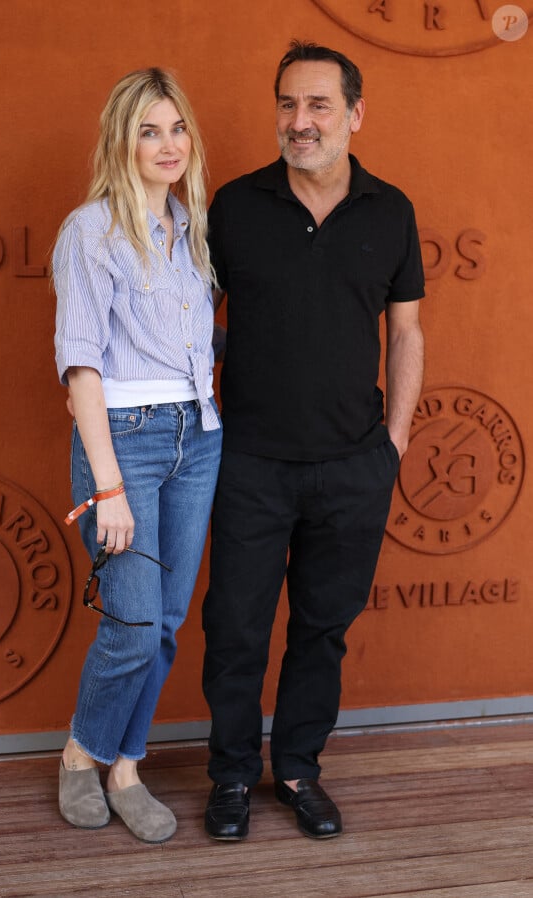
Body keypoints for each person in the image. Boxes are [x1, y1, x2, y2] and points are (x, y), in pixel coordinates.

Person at [202, 40, 424, 841]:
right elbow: (190, 322)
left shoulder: (391, 211)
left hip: (352, 465)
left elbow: (405, 334)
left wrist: (392, 441)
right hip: (249, 463)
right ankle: (229, 777)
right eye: (289, 104)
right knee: (235, 630)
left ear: (355, 114)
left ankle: (296, 769)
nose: (301, 122)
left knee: (322, 631)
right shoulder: (231, 206)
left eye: (319, 104)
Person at [53, 68, 222, 843]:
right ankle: (81, 754)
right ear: (121, 141)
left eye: (176, 128)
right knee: (129, 622)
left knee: (165, 624)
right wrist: (109, 487)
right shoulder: (91, 231)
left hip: (199, 437)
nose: (167, 144)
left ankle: (124, 765)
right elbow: (82, 367)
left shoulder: (191, 228)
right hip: (126, 440)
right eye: (148, 130)